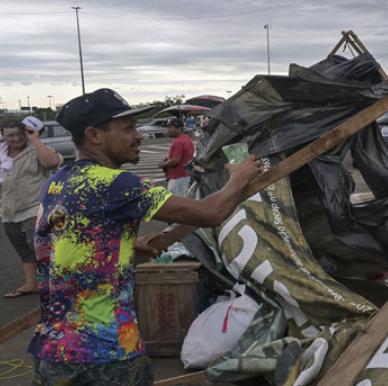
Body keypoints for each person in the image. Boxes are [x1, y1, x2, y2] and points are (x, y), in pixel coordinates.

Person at [30, 88, 261, 385]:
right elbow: (209, 213)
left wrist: (124, 246)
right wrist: (239, 177)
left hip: (53, 350)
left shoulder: (57, 182)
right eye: (128, 129)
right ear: (94, 135)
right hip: (106, 354)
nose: (138, 135)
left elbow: (65, 241)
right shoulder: (116, 184)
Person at [1, 119, 62, 298]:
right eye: (10, 135)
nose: (16, 138)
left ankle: (56, 285)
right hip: (9, 211)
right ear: (3, 136)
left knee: (42, 248)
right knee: (24, 250)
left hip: (34, 208)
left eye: (20, 133)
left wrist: (35, 140)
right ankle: (31, 284)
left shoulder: (36, 150)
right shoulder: (2, 154)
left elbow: (52, 163)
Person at [158, 118, 194, 197]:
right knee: (186, 199)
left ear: (178, 128)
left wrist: (163, 164)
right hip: (186, 174)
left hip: (178, 177)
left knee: (177, 202)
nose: (168, 130)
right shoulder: (187, 138)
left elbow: (176, 160)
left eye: (170, 128)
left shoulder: (178, 142)